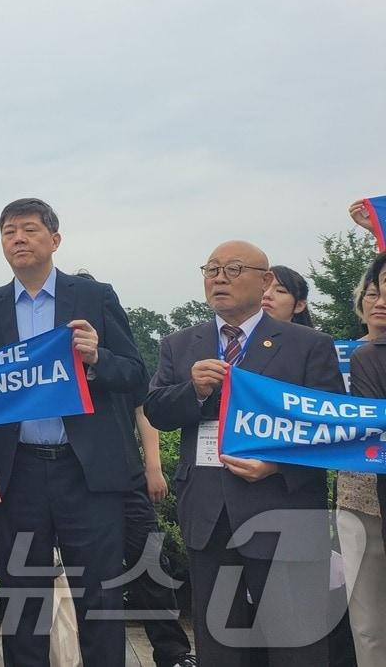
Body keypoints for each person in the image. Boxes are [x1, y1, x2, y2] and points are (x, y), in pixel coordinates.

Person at [0, 198, 146, 666]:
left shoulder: (95, 296)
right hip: (17, 472)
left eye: (29, 230)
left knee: (100, 597)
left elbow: (136, 374)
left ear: (55, 240)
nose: (18, 239)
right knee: (24, 598)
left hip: (87, 472)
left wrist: (97, 359)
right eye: (9, 232)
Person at [144, 240, 342, 665]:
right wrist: (191, 390)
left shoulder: (308, 344)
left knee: (296, 642)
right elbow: (157, 411)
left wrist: (275, 464)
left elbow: (332, 431)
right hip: (209, 513)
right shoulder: (180, 345)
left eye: (233, 269)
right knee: (220, 643)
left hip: (283, 507)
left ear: (265, 280)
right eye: (211, 269)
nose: (219, 278)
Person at [71, 271, 195, 667]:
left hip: (125, 476)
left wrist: (152, 466)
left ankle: (172, 651)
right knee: (91, 576)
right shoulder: (59, 361)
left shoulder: (119, 360)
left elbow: (144, 410)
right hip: (75, 480)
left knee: (149, 561)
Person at [341, 255, 386, 664]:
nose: (380, 300)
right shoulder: (358, 357)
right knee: (369, 616)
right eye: (374, 289)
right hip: (360, 493)